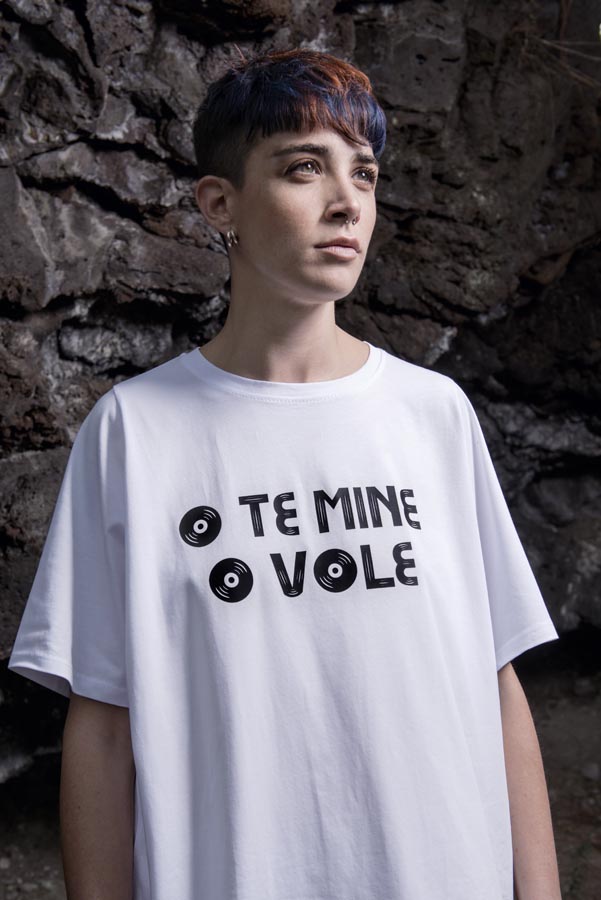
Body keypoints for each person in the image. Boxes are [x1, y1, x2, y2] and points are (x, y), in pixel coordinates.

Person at [8, 47, 562, 900]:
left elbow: (497, 683)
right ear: (219, 203)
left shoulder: (433, 414)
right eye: (305, 168)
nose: (347, 201)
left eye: (364, 172)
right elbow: (104, 725)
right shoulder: (134, 432)